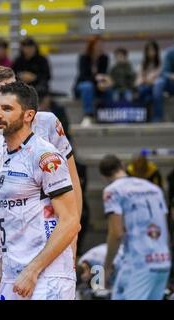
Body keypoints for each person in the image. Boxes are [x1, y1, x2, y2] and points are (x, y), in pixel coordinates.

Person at [0, 66, 82, 298]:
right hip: (13, 268)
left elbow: (71, 220)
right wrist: (4, 266)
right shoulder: (4, 155)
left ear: (28, 116)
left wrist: (33, 270)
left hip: (47, 273)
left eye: (7, 109)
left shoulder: (46, 157)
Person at [100, 154, 171, 300]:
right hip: (163, 261)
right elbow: (165, 228)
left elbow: (116, 233)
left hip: (138, 262)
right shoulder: (154, 188)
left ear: (103, 176)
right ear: (123, 165)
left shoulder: (112, 191)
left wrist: (106, 267)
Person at [74, 36, 109, 126]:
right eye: (98, 45)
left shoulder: (104, 58)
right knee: (88, 86)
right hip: (82, 84)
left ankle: (106, 115)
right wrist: (96, 81)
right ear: (92, 46)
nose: (100, 47)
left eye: (102, 45)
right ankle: (88, 115)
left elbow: (103, 74)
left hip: (97, 86)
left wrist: (104, 83)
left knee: (109, 89)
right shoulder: (83, 57)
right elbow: (84, 75)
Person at [137, 41, 162, 117]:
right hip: (145, 87)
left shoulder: (160, 63)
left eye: (152, 50)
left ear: (156, 51)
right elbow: (140, 78)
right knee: (146, 96)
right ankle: (145, 117)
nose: (151, 52)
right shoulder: (143, 64)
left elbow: (157, 77)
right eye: (149, 50)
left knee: (145, 91)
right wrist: (144, 80)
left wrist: (147, 80)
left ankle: (155, 117)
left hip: (155, 87)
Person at [153, 45, 174, 122]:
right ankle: (158, 117)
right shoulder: (170, 52)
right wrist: (171, 75)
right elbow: (164, 72)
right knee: (158, 83)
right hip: (171, 82)